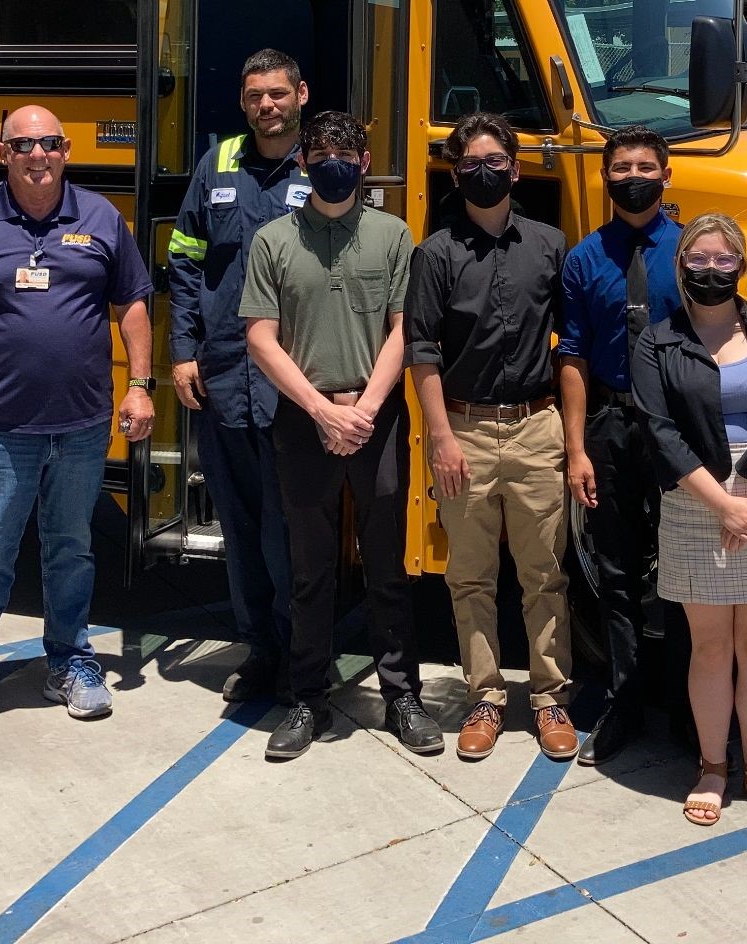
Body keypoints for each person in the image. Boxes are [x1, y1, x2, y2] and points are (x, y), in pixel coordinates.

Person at [0, 106, 156, 745]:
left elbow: (131, 302)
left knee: (70, 549)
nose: (37, 154)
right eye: (23, 144)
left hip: (81, 425)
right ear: (4, 153)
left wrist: (139, 385)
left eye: (48, 143)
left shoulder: (101, 217)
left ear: (67, 149)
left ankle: (71, 661)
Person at [241, 109, 442, 761]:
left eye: (347, 153)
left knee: (387, 567)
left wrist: (363, 410)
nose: (334, 162)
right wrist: (323, 411)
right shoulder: (273, 240)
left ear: (363, 163)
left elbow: (403, 330)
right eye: (321, 151)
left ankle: (401, 696)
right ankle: (307, 698)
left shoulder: (392, 235)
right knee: (310, 570)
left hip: (377, 419)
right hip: (304, 421)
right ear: (303, 161)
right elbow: (260, 338)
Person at [406, 113, 577, 761]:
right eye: (471, 163)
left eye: (495, 162)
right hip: (466, 431)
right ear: (456, 173)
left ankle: (551, 697)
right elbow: (422, 353)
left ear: (514, 167)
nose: (484, 172)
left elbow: (573, 347)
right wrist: (442, 439)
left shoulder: (550, 245)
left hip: (538, 426)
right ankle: (485, 697)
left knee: (545, 573)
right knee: (470, 577)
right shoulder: (436, 253)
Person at [632, 213, 747, 829]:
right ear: (681, 267)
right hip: (696, 498)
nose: (711, 270)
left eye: (722, 259)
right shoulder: (657, 341)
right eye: (698, 260)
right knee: (709, 647)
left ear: (742, 263)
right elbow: (661, 431)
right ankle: (713, 766)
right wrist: (723, 505)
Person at [167, 48, 311, 703]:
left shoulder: (322, 166)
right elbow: (186, 261)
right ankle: (261, 652)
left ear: (301, 95)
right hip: (224, 376)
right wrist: (183, 349)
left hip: (296, 383)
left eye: (277, 94)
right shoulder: (218, 163)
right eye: (255, 95)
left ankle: (300, 657)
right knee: (242, 529)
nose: (266, 105)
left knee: (291, 533)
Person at [557, 126, 683, 766]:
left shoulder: (690, 254)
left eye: (644, 165)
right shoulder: (583, 259)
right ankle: (625, 700)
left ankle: (690, 708)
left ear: (666, 176)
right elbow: (573, 357)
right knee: (615, 569)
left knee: (687, 568)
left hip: (678, 432)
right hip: (610, 424)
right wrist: (577, 449)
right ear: (605, 177)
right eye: (620, 167)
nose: (632, 176)